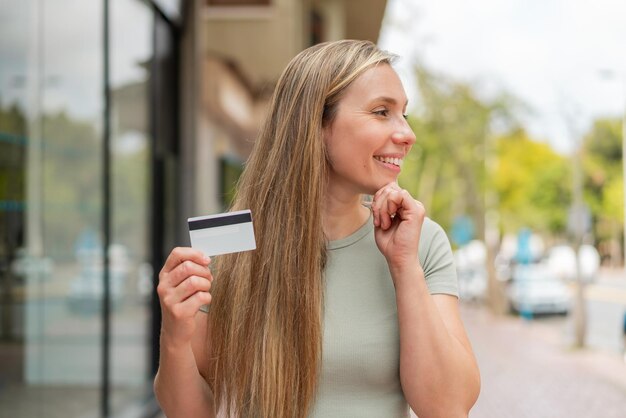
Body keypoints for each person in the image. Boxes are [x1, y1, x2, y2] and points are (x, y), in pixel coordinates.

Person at [154, 40, 480, 418]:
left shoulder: (421, 241)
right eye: (381, 112)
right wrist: (174, 338)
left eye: (404, 114)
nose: (407, 134)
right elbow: (191, 412)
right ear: (317, 124)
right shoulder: (229, 247)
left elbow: (448, 408)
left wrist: (405, 266)